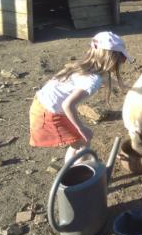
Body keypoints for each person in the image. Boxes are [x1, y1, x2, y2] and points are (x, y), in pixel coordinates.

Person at [29, 31, 131, 163]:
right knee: (83, 140)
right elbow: (68, 105)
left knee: (80, 141)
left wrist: (129, 88)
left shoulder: (85, 66)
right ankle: (76, 174)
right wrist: (81, 127)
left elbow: (106, 79)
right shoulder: (93, 80)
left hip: (41, 104)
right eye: (121, 59)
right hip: (48, 113)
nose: (122, 63)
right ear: (111, 59)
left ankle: (71, 169)